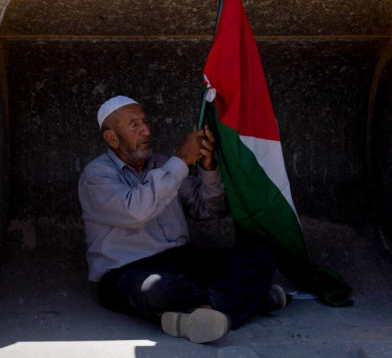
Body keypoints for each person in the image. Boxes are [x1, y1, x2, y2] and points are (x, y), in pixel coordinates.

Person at [77, 96, 283, 344]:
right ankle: (247, 301)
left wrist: (208, 167)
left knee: (262, 252)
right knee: (160, 290)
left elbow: (210, 210)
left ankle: (203, 312)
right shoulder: (96, 175)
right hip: (125, 272)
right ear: (112, 138)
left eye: (145, 122)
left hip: (179, 260)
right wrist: (182, 160)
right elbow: (135, 211)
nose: (146, 130)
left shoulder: (163, 165)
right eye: (134, 125)